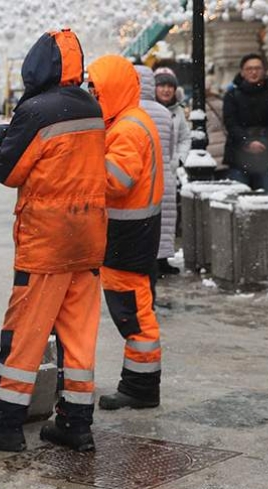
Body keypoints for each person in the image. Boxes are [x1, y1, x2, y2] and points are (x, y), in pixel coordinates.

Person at [0, 30, 107, 453]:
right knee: (78, 337)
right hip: (88, 239)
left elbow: (10, 170)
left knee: (24, 333)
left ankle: (4, 424)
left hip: (47, 242)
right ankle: (76, 424)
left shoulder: (37, 110)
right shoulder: (91, 107)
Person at [87, 55, 165, 411]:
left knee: (132, 312)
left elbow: (116, 181)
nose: (91, 93)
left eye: (95, 87)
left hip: (127, 235)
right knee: (135, 307)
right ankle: (138, 384)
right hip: (134, 232)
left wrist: (83, 165)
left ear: (113, 87)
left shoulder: (127, 129)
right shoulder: (129, 120)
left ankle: (141, 387)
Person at [134, 66, 174, 275]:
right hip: (164, 174)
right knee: (165, 221)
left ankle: (148, 264)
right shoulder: (164, 112)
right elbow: (170, 148)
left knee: (143, 224)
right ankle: (163, 260)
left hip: (141, 176)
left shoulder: (128, 111)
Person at [223, 54, 268, 191]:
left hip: (263, 156)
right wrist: (247, 141)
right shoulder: (232, 95)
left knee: (264, 202)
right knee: (239, 201)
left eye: (257, 68)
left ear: (263, 71)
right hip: (238, 156)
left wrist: (263, 140)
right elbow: (230, 123)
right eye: (249, 69)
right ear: (242, 72)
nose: (253, 72)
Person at [155, 67, 191, 273]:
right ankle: (152, 258)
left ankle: (163, 259)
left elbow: (185, 138)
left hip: (169, 172)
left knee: (169, 217)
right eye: (162, 85)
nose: (166, 90)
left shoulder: (178, 112)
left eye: (170, 86)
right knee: (154, 216)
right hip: (151, 171)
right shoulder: (146, 108)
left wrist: (179, 158)